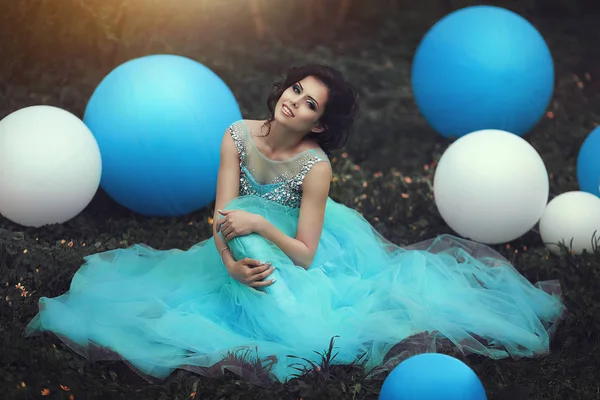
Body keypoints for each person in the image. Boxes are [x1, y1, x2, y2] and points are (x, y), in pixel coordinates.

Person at [24, 63, 566, 385]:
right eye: (295, 90)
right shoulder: (236, 135)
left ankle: (284, 314)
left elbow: (304, 251)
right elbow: (221, 213)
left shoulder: (315, 165)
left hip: (308, 243)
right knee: (233, 257)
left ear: (320, 123)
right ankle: (248, 280)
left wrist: (260, 232)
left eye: (309, 104)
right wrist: (232, 266)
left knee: (287, 290)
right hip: (239, 238)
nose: (294, 103)